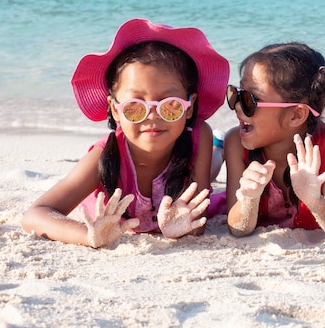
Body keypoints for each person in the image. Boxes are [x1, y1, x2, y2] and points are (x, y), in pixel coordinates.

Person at [21, 19, 230, 248]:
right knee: (207, 169)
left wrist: (180, 228)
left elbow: (197, 217)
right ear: (114, 109)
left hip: (187, 154)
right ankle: (217, 151)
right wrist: (89, 236)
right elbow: (35, 215)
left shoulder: (198, 134)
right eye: (135, 106)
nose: (152, 116)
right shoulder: (104, 157)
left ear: (189, 106)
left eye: (169, 104)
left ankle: (217, 149)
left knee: (210, 168)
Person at [223, 42, 325, 240]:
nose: (238, 107)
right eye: (237, 94)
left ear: (295, 115)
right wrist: (249, 199)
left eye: (251, 99)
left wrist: (315, 201)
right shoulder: (235, 143)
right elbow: (238, 229)